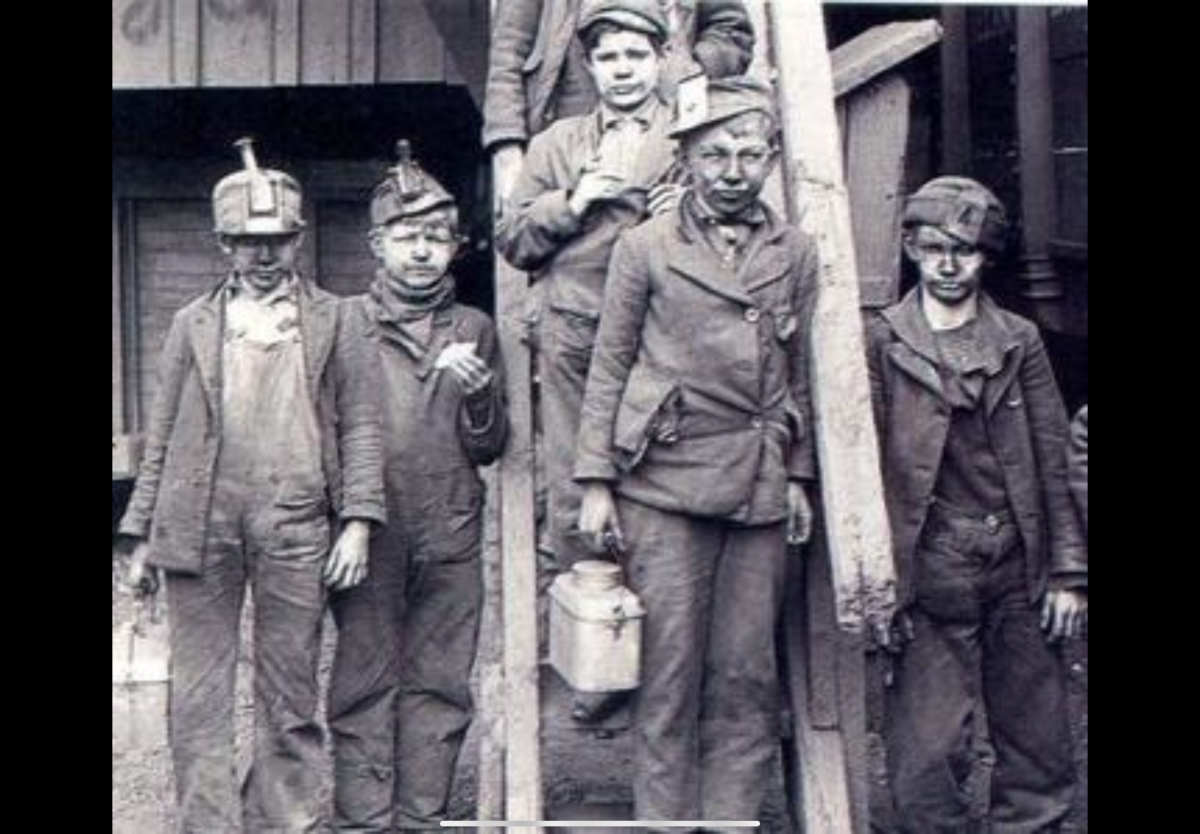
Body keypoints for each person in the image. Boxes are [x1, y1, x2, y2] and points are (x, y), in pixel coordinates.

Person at [119, 138, 385, 832]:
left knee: (289, 689)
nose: (263, 256)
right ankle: (208, 823)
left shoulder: (339, 319)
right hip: (201, 520)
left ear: (298, 239)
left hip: (297, 522)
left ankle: (283, 818)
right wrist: (140, 532)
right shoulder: (191, 324)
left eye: (276, 241)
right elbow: (163, 435)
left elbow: (361, 426)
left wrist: (356, 519)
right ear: (222, 244)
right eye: (246, 242)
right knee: (200, 692)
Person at [573, 77, 818, 828]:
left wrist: (799, 476)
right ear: (685, 158)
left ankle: (731, 822)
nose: (734, 169)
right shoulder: (644, 247)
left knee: (745, 677)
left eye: (750, 153)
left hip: (758, 487)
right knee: (669, 678)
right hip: (664, 484)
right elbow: (608, 364)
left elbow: (799, 370)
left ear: (771, 158)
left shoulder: (797, 251)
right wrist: (595, 481)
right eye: (715, 154)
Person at [868, 177, 1089, 833]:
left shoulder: (1018, 339)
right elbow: (866, 470)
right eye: (932, 247)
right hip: (932, 567)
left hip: (1016, 567)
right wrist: (884, 585)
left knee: (1038, 742)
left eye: (963, 250)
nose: (946, 264)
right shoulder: (884, 342)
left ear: (986, 257)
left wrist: (1069, 574)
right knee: (926, 755)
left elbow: (1054, 455)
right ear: (910, 247)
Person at [328, 142, 509, 832]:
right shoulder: (344, 324)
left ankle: (419, 818)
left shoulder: (473, 329)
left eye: (437, 237)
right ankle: (363, 819)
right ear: (377, 244)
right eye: (407, 237)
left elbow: (490, 447)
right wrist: (347, 515)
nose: (423, 251)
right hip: (370, 530)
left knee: (438, 683)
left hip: (450, 529)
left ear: (456, 246)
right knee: (364, 678)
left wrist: (481, 396)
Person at [485, 0, 755, 208]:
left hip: (667, 128)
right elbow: (508, 49)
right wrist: (507, 148)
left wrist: (690, 70)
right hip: (567, 126)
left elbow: (731, 30)